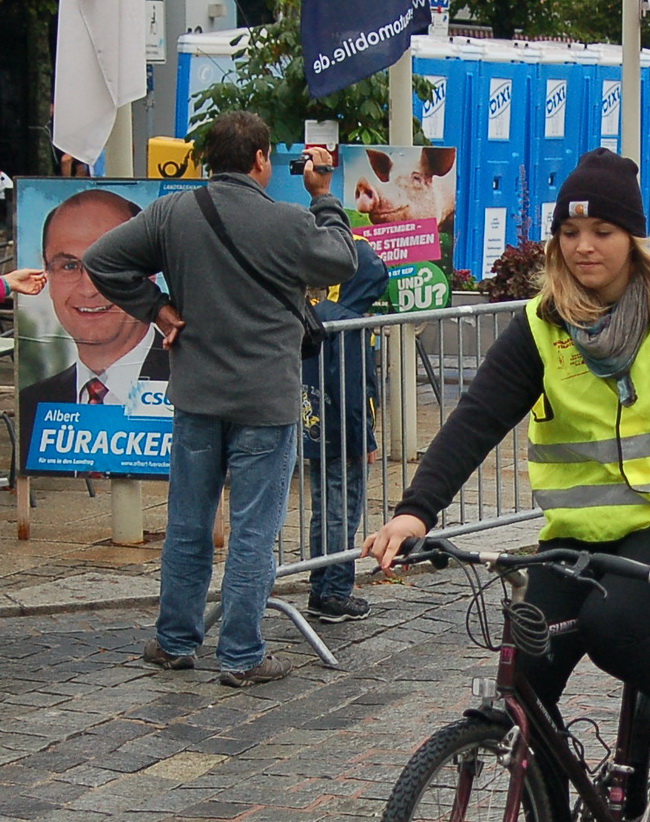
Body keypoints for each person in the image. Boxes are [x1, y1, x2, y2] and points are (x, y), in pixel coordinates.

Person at [362, 149, 650, 822]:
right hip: (578, 533)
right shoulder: (542, 324)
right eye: (571, 232)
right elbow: (477, 417)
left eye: (604, 231)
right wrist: (414, 511)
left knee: (618, 625)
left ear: (633, 239)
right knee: (526, 681)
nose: (585, 247)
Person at [83, 110, 357, 687]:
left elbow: (102, 261)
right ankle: (240, 654)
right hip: (265, 399)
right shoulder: (284, 220)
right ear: (261, 161)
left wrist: (156, 309)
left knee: (188, 523)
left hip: (197, 396)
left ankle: (175, 641)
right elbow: (341, 257)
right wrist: (324, 194)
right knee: (254, 532)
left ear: (209, 159)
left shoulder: (172, 213)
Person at [16, 190, 173, 460]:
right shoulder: (33, 403)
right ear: (47, 274)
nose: (89, 289)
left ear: (150, 273)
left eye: (109, 265)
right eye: (69, 265)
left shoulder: (190, 387)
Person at [302, 238, 389, 623]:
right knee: (343, 512)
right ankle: (336, 590)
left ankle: (320, 584)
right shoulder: (350, 324)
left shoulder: (315, 312)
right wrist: (364, 439)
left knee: (323, 510)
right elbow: (355, 390)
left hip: (316, 428)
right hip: (344, 434)